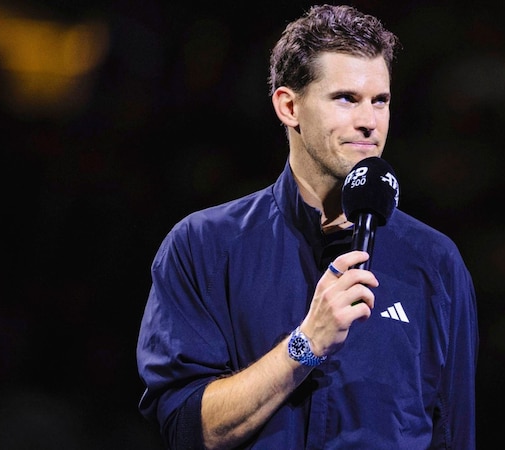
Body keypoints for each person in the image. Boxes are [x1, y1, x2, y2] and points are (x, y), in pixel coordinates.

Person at [136, 4, 478, 449]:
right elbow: (187, 428)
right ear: (289, 106)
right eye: (346, 98)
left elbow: (454, 435)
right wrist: (305, 345)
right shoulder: (203, 246)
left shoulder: (434, 262)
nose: (369, 122)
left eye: (380, 101)